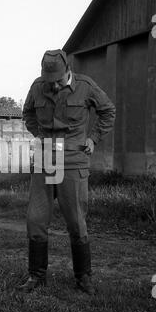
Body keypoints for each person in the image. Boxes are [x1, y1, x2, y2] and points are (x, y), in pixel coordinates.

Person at [20, 49, 116, 294]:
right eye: (49, 80)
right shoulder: (37, 85)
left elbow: (108, 111)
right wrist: (38, 134)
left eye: (58, 80)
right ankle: (36, 276)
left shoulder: (86, 86)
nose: (53, 85)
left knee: (76, 222)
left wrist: (93, 139)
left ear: (68, 71)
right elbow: (28, 112)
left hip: (73, 159)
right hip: (43, 159)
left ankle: (83, 278)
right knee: (35, 219)